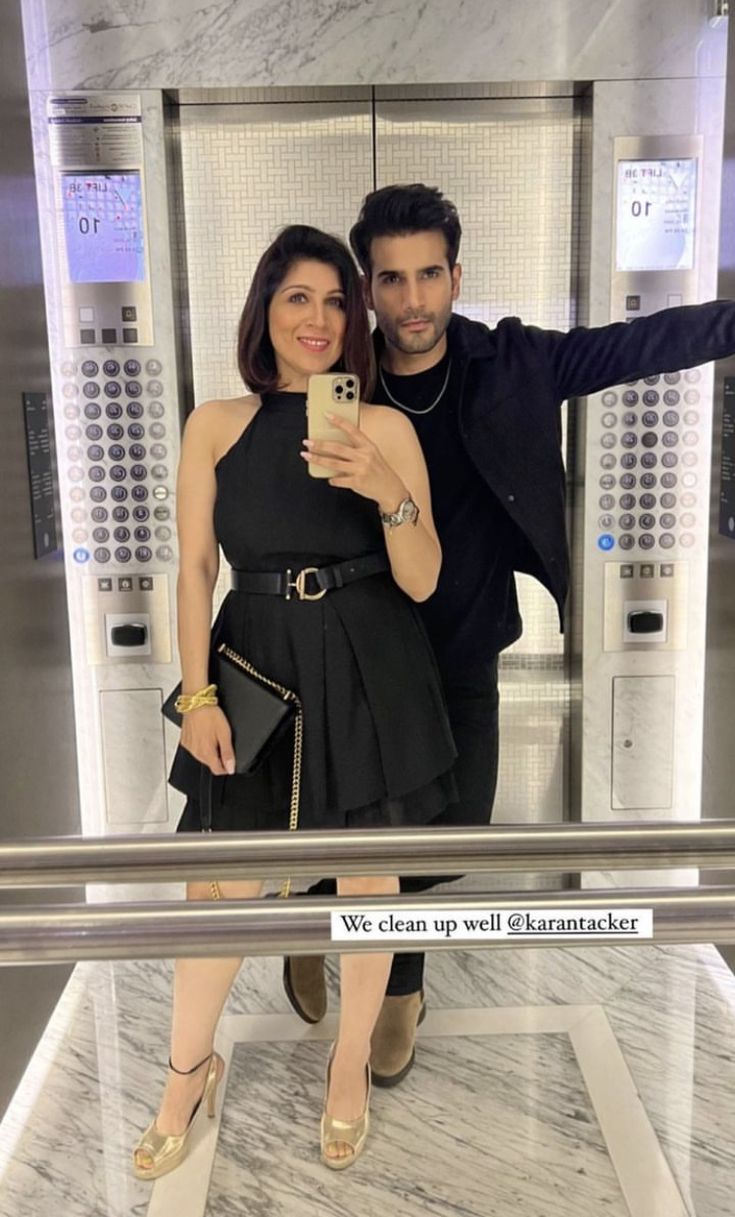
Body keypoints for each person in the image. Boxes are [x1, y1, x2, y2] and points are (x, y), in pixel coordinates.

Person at [282, 182, 735, 1086]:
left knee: (453, 834)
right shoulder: (341, 381)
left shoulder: (514, 363)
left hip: (466, 638)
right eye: (390, 279)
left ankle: (320, 905)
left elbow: (636, 344)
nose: (412, 300)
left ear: (456, 274)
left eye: (429, 275)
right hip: (367, 648)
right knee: (394, 838)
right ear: (367, 288)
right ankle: (400, 987)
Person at [132, 223, 457, 1178]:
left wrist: (386, 487)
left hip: (369, 658)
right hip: (255, 662)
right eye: (295, 298)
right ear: (265, 311)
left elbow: (425, 579)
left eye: (332, 300)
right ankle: (186, 1070)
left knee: (366, 881)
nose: (316, 319)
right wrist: (195, 694)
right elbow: (193, 569)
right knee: (220, 885)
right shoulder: (216, 424)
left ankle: (348, 1063)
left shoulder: (386, 428)